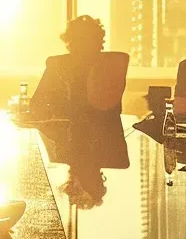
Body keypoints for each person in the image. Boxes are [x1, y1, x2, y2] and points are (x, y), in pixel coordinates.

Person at [27, 16, 130, 208]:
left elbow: (36, 105)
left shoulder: (60, 66)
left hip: (68, 133)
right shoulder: (112, 64)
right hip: (104, 133)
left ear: (69, 42)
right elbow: (38, 103)